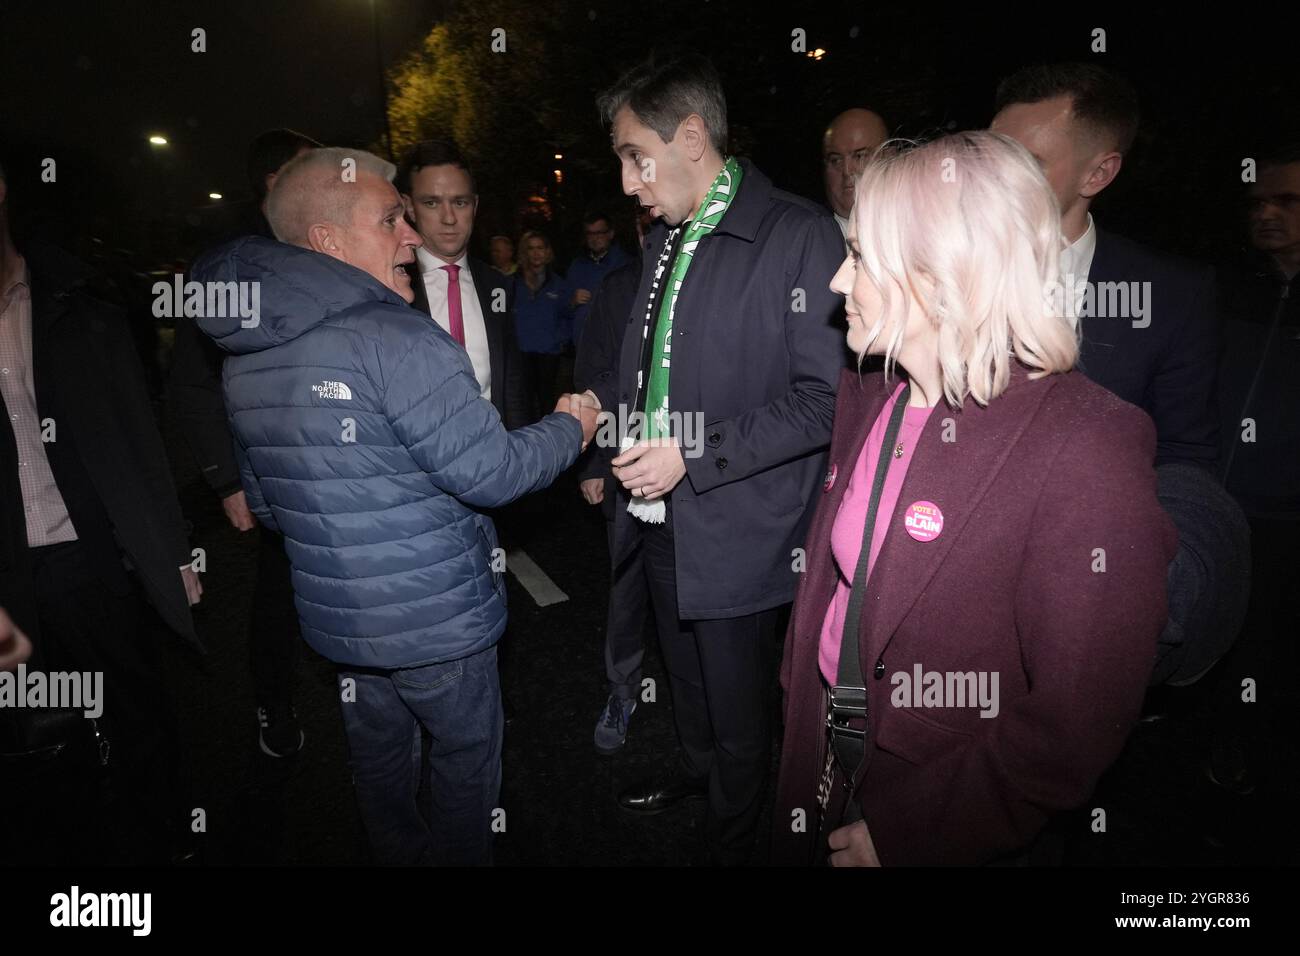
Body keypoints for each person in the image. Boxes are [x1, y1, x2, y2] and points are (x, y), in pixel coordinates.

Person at [771, 132, 1177, 867]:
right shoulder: (872, 389)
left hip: (935, 806)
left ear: (941, 273)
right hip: (824, 758)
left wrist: (914, 831)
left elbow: (1075, 723)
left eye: (860, 255)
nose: (836, 280)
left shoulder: (1088, 449)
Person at [190, 147, 597, 865]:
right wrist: (573, 426)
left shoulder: (247, 356)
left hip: (342, 627)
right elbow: (494, 473)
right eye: (390, 219)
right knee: (466, 768)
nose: (411, 233)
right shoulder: (397, 338)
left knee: (380, 770)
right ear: (328, 241)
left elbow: (271, 507)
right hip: (438, 619)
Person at [582, 50, 847, 864]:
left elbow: (823, 400)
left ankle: (740, 838)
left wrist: (690, 458)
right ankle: (708, 788)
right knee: (690, 693)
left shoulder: (797, 234)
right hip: (656, 517)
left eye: (636, 155)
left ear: (691, 136)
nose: (628, 181)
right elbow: (653, 371)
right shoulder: (667, 237)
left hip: (738, 527)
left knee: (739, 715)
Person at [0, 156, 201, 863]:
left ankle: (165, 840)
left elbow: (137, 437)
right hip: (7, 581)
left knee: (136, 709)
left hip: (87, 557)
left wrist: (173, 551)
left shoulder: (72, 301)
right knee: (37, 734)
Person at [168, 127, 320, 757]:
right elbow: (192, 382)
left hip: (333, 458)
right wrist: (227, 480)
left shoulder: (320, 248)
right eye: (310, 169)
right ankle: (273, 702)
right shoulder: (230, 266)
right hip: (270, 469)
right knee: (279, 591)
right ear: (274, 182)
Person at [991, 62, 1219, 470]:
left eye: (1026, 162)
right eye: (990, 156)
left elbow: (1184, 458)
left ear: (1098, 174)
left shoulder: (1174, 296)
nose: (994, 177)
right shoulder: (936, 265)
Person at [1210, 143, 1300, 796]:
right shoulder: (1228, 288)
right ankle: (1224, 760)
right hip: (1224, 506)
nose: (1266, 213)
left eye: (1287, 201)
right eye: (1258, 202)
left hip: (1289, 519)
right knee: (1227, 645)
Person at [574, 204, 654, 755]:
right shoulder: (617, 288)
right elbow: (593, 373)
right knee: (627, 582)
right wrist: (595, 462)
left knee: (692, 592)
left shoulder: (715, 282)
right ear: (641, 229)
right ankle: (623, 688)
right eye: (650, 220)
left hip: (699, 466)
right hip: (626, 462)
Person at [397, 139, 530, 430]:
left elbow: (512, 386)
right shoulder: (390, 288)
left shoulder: (498, 286)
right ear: (409, 207)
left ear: (475, 205)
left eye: (460, 202)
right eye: (431, 203)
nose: (449, 218)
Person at [513, 230, 571, 418]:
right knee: (523, 403)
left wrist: (559, 340)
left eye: (540, 248)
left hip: (549, 355)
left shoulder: (559, 284)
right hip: (520, 354)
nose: (536, 253)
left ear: (547, 252)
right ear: (524, 252)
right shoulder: (511, 283)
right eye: (531, 248)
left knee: (548, 402)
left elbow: (568, 315)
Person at [822, 108, 889, 240]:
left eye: (860, 156)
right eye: (836, 160)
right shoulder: (806, 240)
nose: (847, 170)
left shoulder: (923, 226)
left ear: (888, 156)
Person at [566, 210, 629, 349]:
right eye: (590, 233)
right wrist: (572, 301)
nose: (594, 238)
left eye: (599, 233)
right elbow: (561, 307)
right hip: (581, 344)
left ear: (610, 234)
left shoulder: (625, 265)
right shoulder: (577, 266)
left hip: (613, 344)